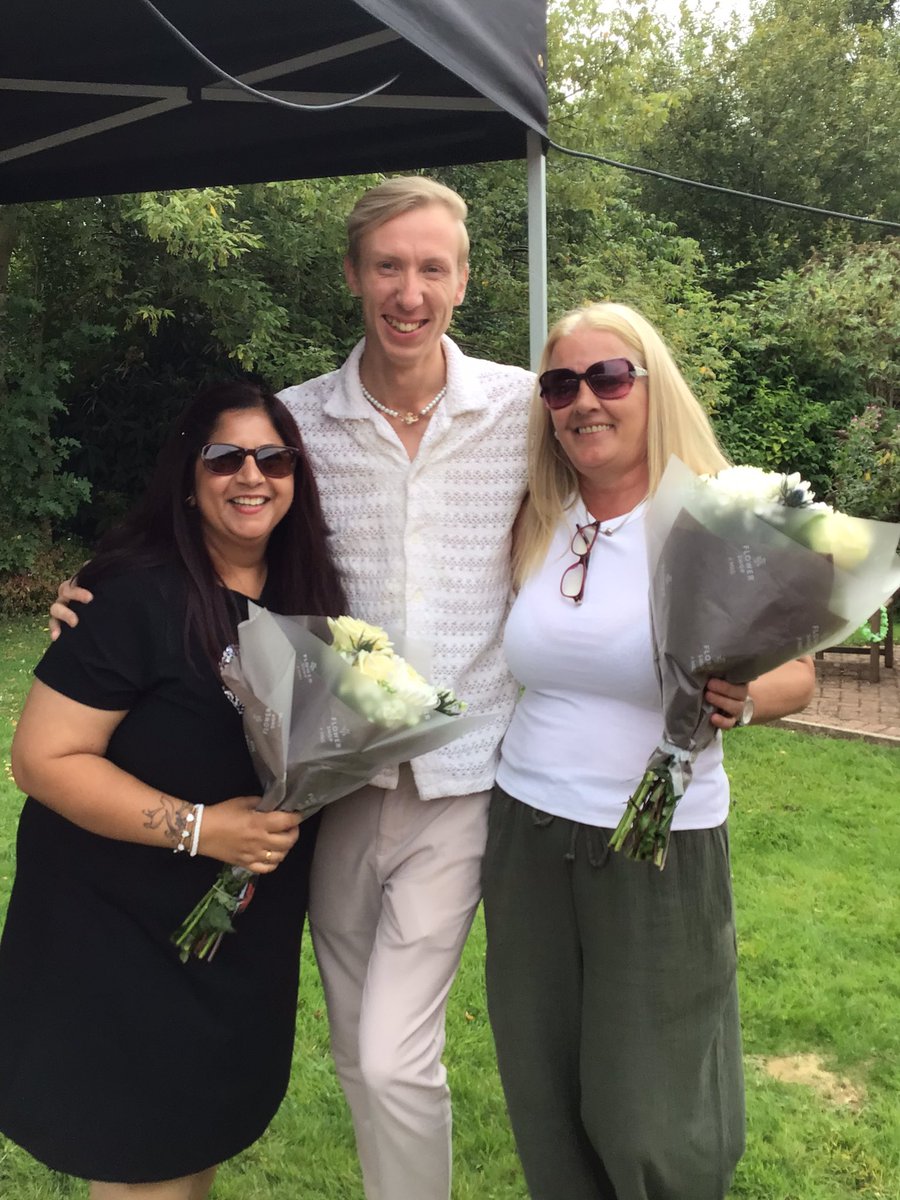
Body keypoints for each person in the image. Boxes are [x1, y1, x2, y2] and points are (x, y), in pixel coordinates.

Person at [50, 177, 535, 1200]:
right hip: (326, 792)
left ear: (463, 278)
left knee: (397, 1056)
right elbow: (210, 517)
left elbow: (618, 495)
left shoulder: (525, 411)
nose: (410, 290)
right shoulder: (300, 424)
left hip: (461, 777)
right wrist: (90, 594)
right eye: (389, 266)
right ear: (356, 275)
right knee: (361, 1048)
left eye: (432, 267)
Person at [481, 301, 816, 1200]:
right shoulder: (537, 517)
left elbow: (800, 679)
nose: (583, 400)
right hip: (525, 832)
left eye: (608, 377)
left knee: (654, 1114)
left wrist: (741, 701)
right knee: (543, 1089)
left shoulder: (715, 519)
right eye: (561, 384)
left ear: (650, 386)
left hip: (660, 844)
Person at [2, 381, 346, 1200]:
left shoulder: (311, 606)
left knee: (193, 1146)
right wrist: (200, 829)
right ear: (187, 477)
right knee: (140, 1155)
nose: (251, 476)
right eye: (224, 458)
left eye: (274, 457)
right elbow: (43, 759)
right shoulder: (130, 594)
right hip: (115, 934)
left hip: (234, 943)